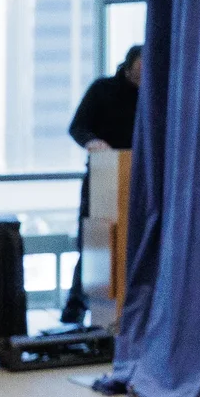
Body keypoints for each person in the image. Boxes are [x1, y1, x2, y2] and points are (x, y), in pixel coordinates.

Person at [61, 46, 142, 325]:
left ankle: (128, 311)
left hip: (139, 178)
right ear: (129, 65)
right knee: (95, 243)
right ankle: (75, 310)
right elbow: (78, 127)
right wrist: (92, 142)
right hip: (103, 174)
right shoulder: (103, 89)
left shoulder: (156, 93)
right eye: (140, 68)